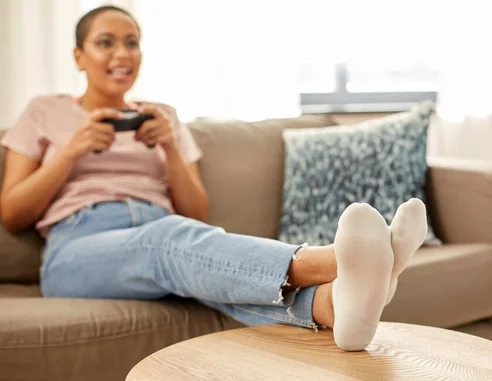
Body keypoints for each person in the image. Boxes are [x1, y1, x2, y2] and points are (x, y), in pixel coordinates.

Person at [0, 5, 428, 352]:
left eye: (132, 43)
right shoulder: (45, 111)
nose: (122, 54)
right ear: (79, 56)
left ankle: (334, 306)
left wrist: (169, 147)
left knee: (189, 259)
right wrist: (71, 150)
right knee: (169, 240)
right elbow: (12, 213)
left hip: (161, 229)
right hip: (76, 248)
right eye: (105, 43)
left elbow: (196, 211)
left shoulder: (163, 115)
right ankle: (344, 259)